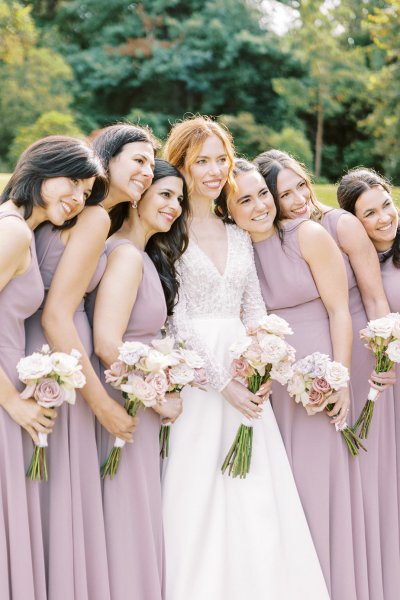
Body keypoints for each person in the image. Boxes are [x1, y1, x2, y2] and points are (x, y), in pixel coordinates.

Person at [161, 117, 329, 600]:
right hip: (200, 376)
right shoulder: (169, 230)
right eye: (201, 162)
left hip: (244, 365)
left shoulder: (236, 231)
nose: (214, 171)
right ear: (182, 166)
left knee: (255, 492)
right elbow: (177, 319)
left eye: (220, 159)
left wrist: (262, 357)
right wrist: (221, 382)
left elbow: (254, 306)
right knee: (199, 489)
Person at [217, 158, 367, 599]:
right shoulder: (235, 246)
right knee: (283, 491)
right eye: (249, 197)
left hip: (318, 371)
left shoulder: (308, 235)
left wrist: (340, 377)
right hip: (269, 381)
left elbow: (339, 309)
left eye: (265, 194)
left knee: (322, 484)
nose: (262, 205)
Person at [253, 150, 400, 600]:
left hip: (357, 354)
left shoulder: (339, 224)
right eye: (285, 193)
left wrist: (385, 357)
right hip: (295, 372)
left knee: (368, 477)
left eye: (301, 184)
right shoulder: (262, 238)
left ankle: (377, 579)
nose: (298, 199)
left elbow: (375, 299)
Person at [24, 124, 156, 600]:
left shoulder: (88, 215)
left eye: (150, 161)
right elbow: (59, 313)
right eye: (138, 159)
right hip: (61, 358)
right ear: (107, 159)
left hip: (48, 353)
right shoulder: (94, 216)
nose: (146, 170)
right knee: (58, 488)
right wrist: (102, 405)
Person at [0, 135, 104, 599]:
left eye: (86, 192)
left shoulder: (26, 229)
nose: (79, 198)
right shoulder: (14, 232)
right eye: (74, 183)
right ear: (42, 170)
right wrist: (12, 403)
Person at [92, 158, 189, 600]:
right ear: (138, 197)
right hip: (124, 400)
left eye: (179, 200)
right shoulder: (125, 255)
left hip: (137, 397)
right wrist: (158, 396)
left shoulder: (145, 255)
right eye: (165, 194)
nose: (174, 207)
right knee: (126, 516)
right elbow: (108, 343)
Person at [338, 167, 400, 576]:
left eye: (387, 205)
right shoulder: (355, 263)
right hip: (383, 379)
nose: (384, 218)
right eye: (370, 214)